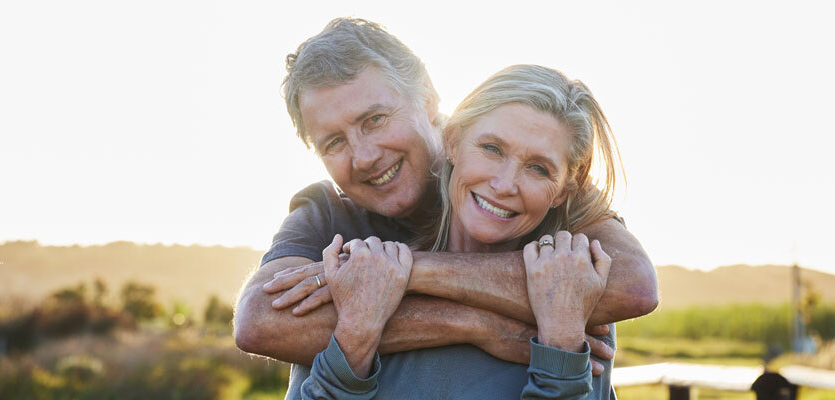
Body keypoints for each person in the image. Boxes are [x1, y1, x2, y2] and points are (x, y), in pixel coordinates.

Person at [233, 18, 658, 399]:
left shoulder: (545, 203)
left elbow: (631, 284)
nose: (363, 156)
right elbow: (260, 323)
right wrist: (477, 325)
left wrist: (402, 271)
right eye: (334, 142)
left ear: (428, 97)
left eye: (375, 119)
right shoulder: (327, 217)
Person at [293, 64, 626, 398]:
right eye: (492, 149)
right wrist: (355, 339)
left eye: (538, 168)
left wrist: (562, 352)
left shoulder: (573, 293)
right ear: (452, 141)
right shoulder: (359, 280)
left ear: (563, 192)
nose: (503, 184)